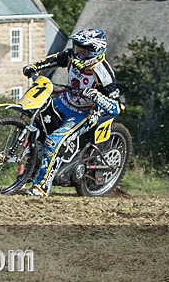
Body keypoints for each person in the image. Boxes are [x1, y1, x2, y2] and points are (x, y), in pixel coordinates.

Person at [21, 28, 121, 197]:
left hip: (84, 114)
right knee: (37, 128)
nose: (78, 53)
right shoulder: (71, 56)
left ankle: (42, 186)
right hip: (63, 102)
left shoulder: (104, 74)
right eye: (77, 48)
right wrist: (33, 67)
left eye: (84, 50)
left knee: (54, 141)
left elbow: (116, 107)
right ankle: (27, 176)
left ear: (95, 52)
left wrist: (95, 95)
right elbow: (53, 60)